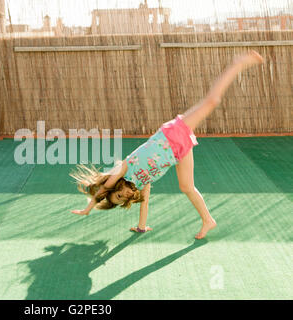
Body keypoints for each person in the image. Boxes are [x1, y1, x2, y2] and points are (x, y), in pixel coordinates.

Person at [70, 50, 264, 239]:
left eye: (119, 195)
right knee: (187, 187)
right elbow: (145, 203)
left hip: (170, 135)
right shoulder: (140, 183)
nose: (126, 196)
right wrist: (141, 227)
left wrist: (88, 209)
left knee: (212, 101)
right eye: (124, 200)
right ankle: (208, 220)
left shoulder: (124, 169)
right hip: (178, 152)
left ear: (116, 187)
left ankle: (238, 63)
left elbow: (103, 190)